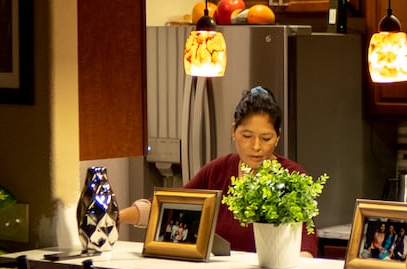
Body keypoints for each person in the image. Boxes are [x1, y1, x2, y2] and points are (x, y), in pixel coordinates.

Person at [123, 86, 317, 256]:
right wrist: (118, 216)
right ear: (233, 131)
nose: (256, 146)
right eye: (247, 136)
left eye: (266, 138)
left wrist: (303, 260)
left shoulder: (291, 176)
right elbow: (172, 204)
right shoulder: (218, 170)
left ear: (278, 137)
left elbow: (307, 234)